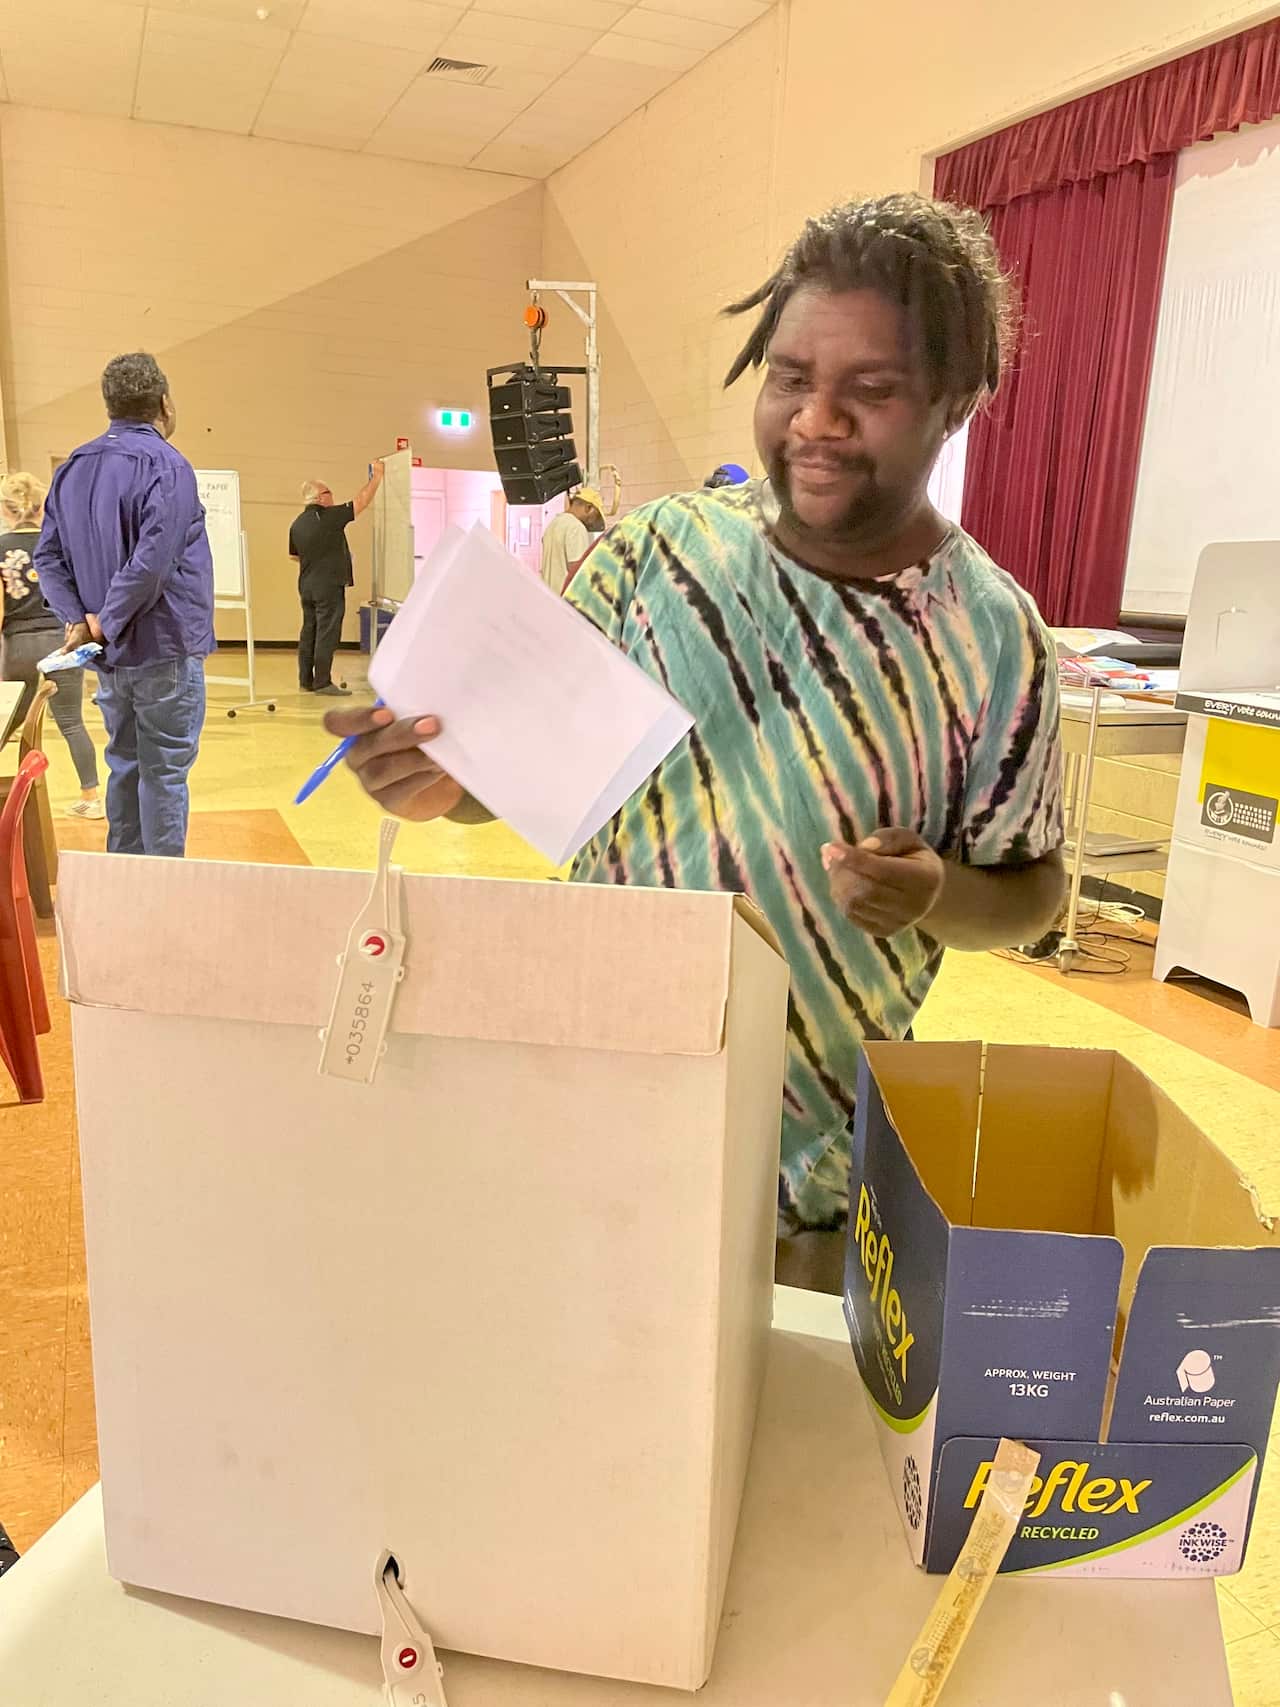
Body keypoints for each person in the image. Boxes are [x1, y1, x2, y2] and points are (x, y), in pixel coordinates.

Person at [325, 194, 1067, 1293]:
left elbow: (1034, 893)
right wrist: (441, 777)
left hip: (804, 1176)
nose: (814, 420)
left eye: (868, 391)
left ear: (953, 403)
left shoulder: (992, 636)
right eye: (788, 378)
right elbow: (521, 773)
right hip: (583, 1101)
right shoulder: (654, 557)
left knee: (756, 1446)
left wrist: (932, 897)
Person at [36, 351, 213, 859]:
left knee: (126, 765)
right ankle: (160, 890)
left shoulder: (73, 468)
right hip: (164, 647)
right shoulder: (168, 465)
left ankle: (123, 882)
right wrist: (101, 622)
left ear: (110, 405)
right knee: (163, 775)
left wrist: (82, 622)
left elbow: (47, 555)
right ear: (164, 403)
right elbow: (153, 563)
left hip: (109, 658)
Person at [0, 472, 103, 818]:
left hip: (19, 644)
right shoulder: (61, 545)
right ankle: (91, 796)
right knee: (71, 722)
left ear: (6, 509)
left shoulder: (1, 549)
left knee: (7, 721)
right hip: (63, 642)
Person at [289, 462, 384, 697]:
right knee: (327, 632)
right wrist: (377, 477)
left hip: (306, 585)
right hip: (328, 585)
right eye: (328, 492)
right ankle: (322, 682)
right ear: (320, 498)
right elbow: (360, 502)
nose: (332, 496)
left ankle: (306, 680)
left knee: (309, 630)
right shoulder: (329, 517)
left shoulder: (297, 524)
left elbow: (294, 556)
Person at [539, 485, 605, 596]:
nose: (593, 522)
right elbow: (577, 572)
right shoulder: (576, 527)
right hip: (565, 601)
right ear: (588, 508)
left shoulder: (554, 524)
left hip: (549, 598)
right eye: (596, 516)